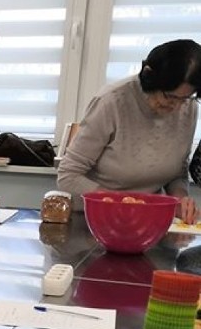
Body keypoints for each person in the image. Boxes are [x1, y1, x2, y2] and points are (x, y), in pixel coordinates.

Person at [57, 39, 201, 223]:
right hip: (94, 220)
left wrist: (180, 199)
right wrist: (122, 203)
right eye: (169, 96)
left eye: (186, 98)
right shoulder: (112, 101)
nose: (176, 106)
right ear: (150, 77)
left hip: (146, 221)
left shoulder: (188, 108)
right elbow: (68, 175)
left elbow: (176, 172)